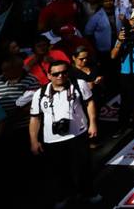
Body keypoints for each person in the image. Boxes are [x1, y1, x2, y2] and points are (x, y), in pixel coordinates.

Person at [29, 59, 101, 207]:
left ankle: (88, 193)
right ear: (49, 75)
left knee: (83, 167)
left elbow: (90, 102)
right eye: (55, 74)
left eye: (63, 72)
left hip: (78, 134)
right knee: (58, 171)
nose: (60, 76)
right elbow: (35, 118)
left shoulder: (79, 85)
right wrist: (34, 141)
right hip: (52, 139)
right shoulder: (39, 94)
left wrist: (93, 123)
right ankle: (64, 196)